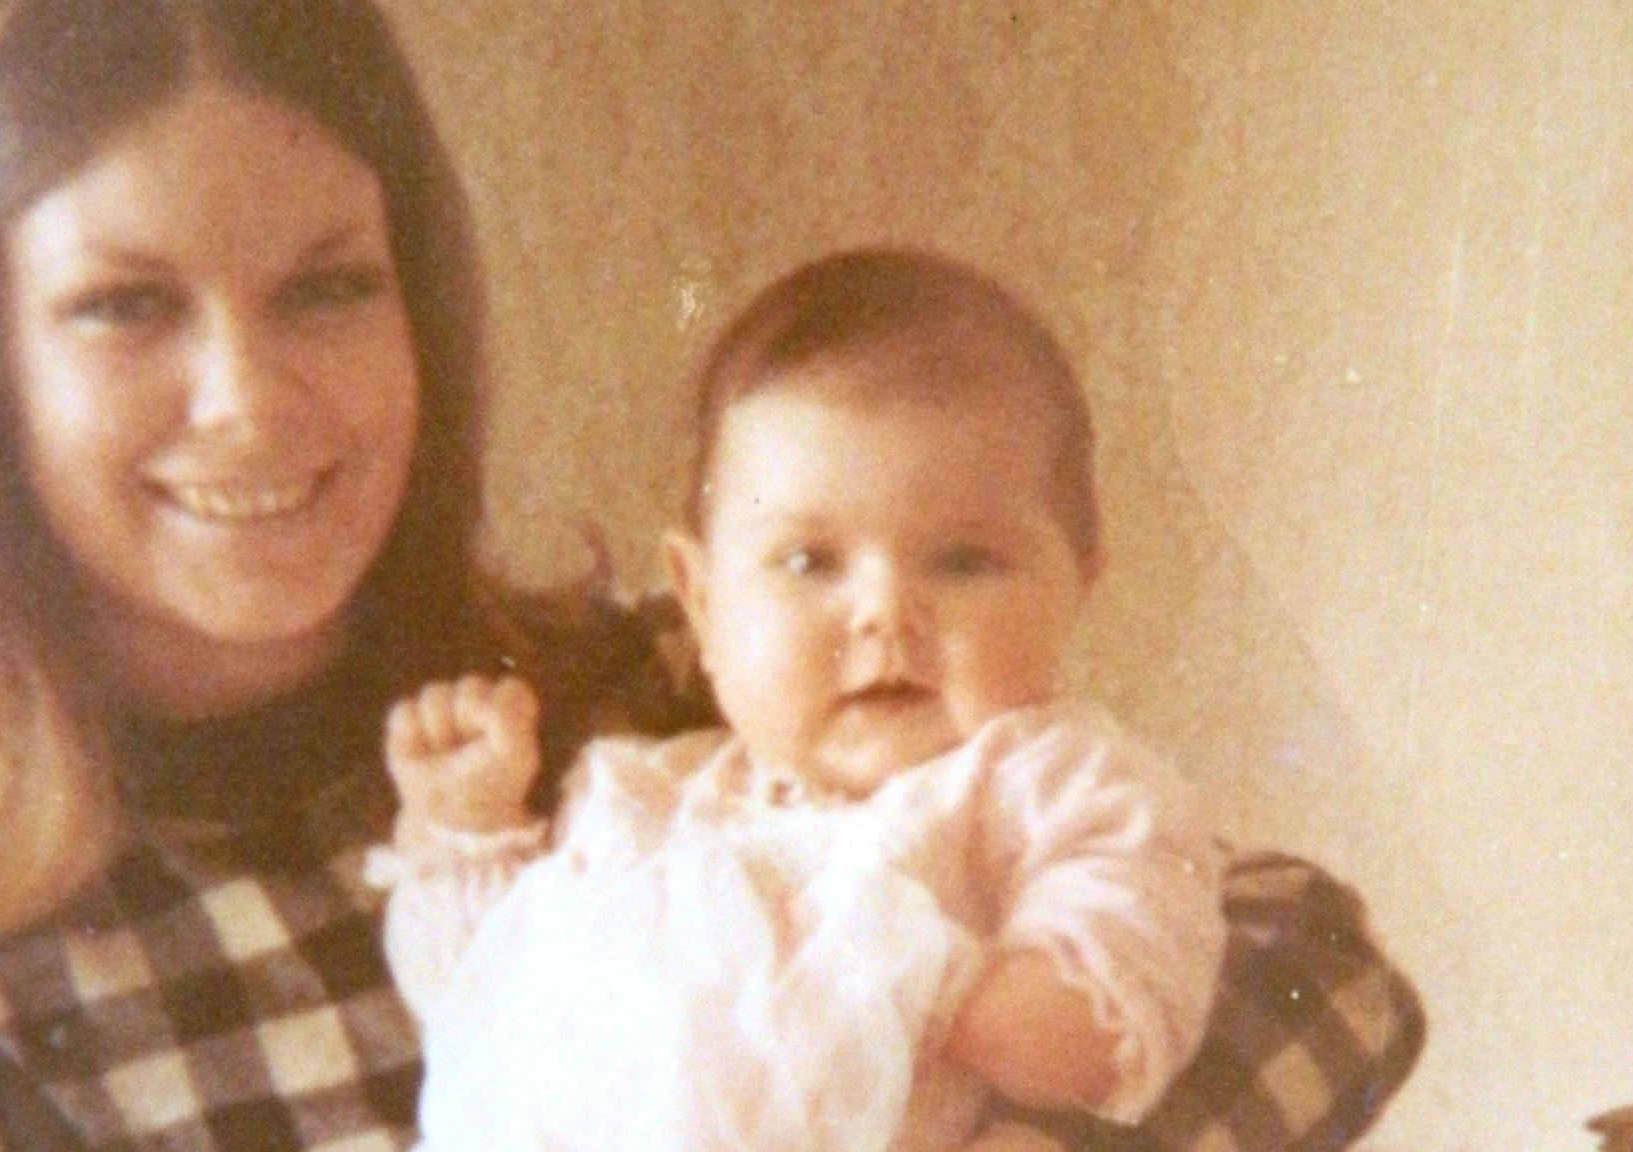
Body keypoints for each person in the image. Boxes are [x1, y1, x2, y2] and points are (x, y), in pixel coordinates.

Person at [0, 1, 1422, 1150]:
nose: (253, 399)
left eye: (326, 289)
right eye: (123, 305)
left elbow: (1319, 969)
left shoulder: (624, 717)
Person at [370, 249, 1228, 1152]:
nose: (885, 614)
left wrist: (917, 977)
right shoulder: (644, 798)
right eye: (808, 561)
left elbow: (1106, 1026)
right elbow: (477, 1009)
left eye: (964, 560)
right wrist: (467, 834)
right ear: (701, 598)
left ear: (1077, 583)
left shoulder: (1054, 784)